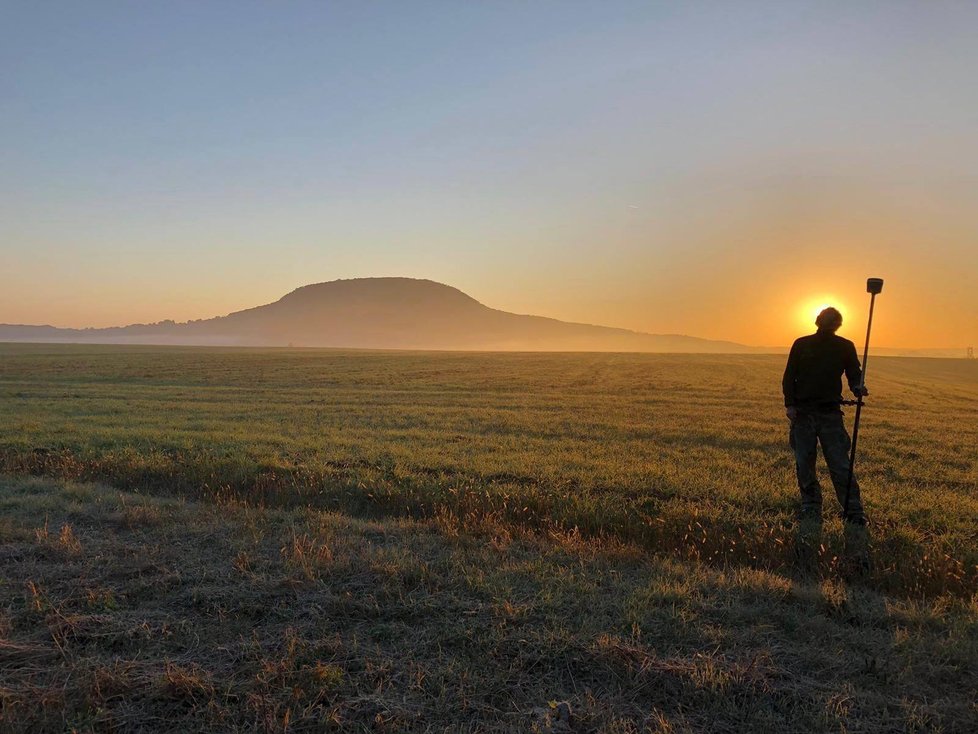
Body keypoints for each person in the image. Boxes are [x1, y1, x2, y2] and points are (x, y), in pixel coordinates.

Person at [782, 307, 868, 524]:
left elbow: (854, 374)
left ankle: (853, 511)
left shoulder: (844, 347)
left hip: (829, 413)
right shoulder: (802, 344)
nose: (829, 325)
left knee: (836, 464)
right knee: (807, 463)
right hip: (804, 414)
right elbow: (789, 377)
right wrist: (790, 405)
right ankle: (813, 508)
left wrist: (858, 386)